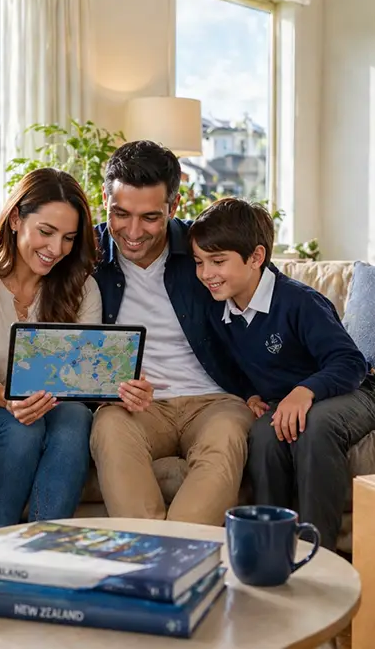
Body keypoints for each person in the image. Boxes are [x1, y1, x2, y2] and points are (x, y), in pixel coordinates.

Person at [0, 167, 154, 531]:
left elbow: (85, 377)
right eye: (46, 232)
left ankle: (46, 543)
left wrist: (121, 388)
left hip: (59, 407)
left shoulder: (82, 288)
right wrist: (9, 400)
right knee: (23, 429)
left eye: (68, 238)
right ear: (16, 219)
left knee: (75, 416)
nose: (56, 250)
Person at [190, 198, 375, 550]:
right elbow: (228, 364)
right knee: (265, 435)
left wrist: (305, 391)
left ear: (256, 257)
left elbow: (350, 361)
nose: (206, 273)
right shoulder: (219, 310)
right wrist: (249, 392)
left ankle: (317, 550)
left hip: (353, 391)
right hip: (289, 402)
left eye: (218, 261)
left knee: (314, 427)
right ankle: (273, 546)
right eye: (199, 262)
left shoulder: (299, 302)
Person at [90, 140, 255, 526]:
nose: (132, 232)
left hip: (214, 400)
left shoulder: (208, 248)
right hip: (136, 407)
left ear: (174, 206)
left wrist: (356, 369)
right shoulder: (85, 254)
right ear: (105, 198)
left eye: (149, 217)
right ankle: (150, 554)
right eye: (120, 213)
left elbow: (281, 303)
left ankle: (172, 555)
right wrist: (111, 382)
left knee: (228, 435)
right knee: (109, 426)